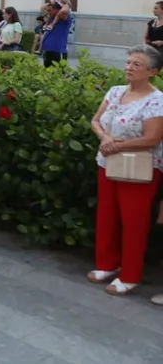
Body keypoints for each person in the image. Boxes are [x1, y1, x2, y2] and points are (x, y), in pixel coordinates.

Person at [87, 45, 163, 296]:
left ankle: (130, 275)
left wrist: (117, 145)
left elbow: (153, 138)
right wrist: (104, 138)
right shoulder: (115, 91)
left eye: (136, 64)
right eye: (129, 62)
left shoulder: (157, 100)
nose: (129, 67)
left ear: (153, 71)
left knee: (134, 222)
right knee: (106, 215)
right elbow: (95, 121)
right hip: (108, 162)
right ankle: (107, 264)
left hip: (140, 167)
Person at [42, 1, 73, 67]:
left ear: (58, 10)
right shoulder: (51, 18)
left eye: (50, 10)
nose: (48, 12)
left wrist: (66, 3)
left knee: (58, 71)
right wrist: (52, 1)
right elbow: (42, 7)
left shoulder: (64, 18)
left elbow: (64, 10)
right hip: (47, 50)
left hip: (58, 51)